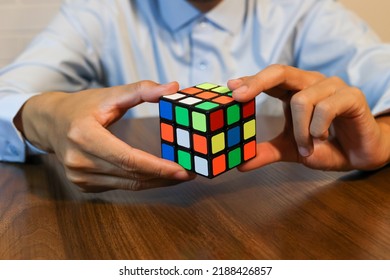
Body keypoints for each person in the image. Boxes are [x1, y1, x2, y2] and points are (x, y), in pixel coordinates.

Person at [1, 0, 390, 192]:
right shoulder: (99, 12)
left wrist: (383, 135)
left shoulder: (303, 11)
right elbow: (8, 94)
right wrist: (43, 115)